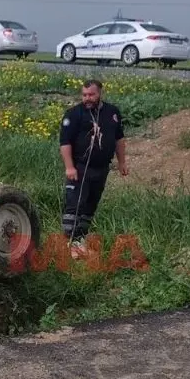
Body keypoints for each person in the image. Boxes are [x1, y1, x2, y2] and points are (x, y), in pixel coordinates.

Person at [59, 79, 129, 258]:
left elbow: (119, 140)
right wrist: (69, 167)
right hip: (80, 168)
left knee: (90, 205)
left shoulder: (112, 112)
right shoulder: (74, 114)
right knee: (75, 205)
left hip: (101, 168)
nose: (87, 98)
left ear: (100, 94)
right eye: (84, 95)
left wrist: (122, 163)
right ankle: (70, 243)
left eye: (91, 94)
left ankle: (80, 240)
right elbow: (65, 143)